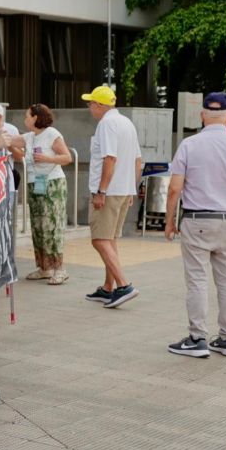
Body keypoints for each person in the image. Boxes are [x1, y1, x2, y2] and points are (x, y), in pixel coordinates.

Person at [163, 94, 226, 358]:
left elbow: (174, 188)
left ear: (202, 115)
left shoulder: (189, 144)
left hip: (197, 219)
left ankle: (197, 338)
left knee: (197, 279)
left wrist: (169, 221)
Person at [82, 84, 141, 308]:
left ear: (99, 105)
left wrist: (101, 191)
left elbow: (110, 158)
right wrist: (131, 188)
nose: (89, 108)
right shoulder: (127, 122)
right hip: (123, 189)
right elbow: (137, 160)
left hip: (109, 191)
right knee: (110, 239)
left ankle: (124, 285)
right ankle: (108, 288)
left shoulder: (106, 124)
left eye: (91, 103)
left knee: (99, 239)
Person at [22, 104, 73, 284]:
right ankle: (44, 268)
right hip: (35, 183)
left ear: (36, 118)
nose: (25, 119)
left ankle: (60, 269)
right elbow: (10, 141)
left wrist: (47, 159)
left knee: (52, 225)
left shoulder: (52, 134)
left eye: (27, 116)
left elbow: (67, 157)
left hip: (52, 183)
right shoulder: (29, 137)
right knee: (38, 226)